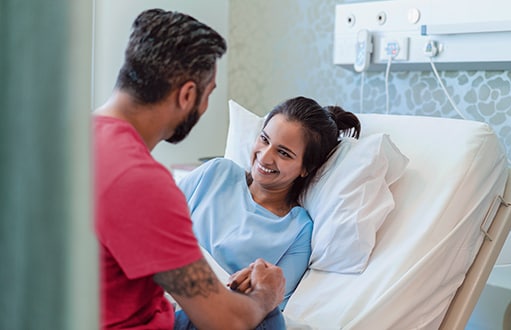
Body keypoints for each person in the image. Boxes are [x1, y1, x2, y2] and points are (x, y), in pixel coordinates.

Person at [93, 8, 287, 330]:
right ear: (187, 94)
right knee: (265, 316)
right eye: (208, 94)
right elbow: (227, 322)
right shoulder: (142, 182)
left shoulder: (63, 142)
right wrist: (268, 294)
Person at [177, 96, 362, 310]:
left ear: (305, 168)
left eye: (283, 153)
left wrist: (259, 291)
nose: (265, 157)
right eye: (264, 139)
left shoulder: (297, 230)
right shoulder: (215, 172)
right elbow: (154, 223)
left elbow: (274, 308)